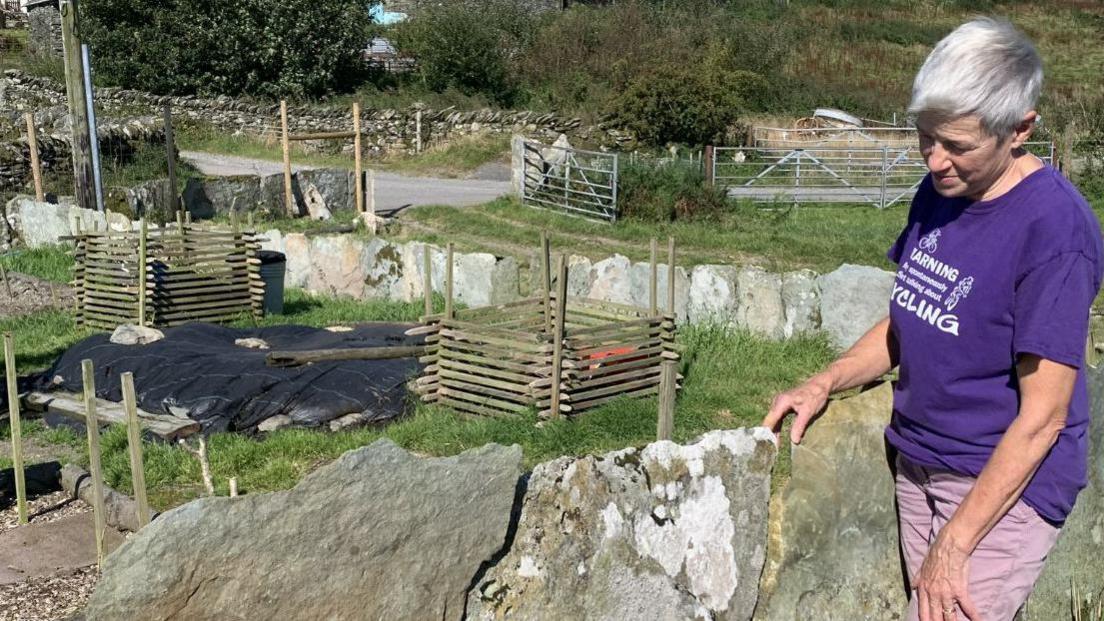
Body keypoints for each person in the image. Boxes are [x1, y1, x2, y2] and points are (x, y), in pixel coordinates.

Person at [761, 17, 1103, 621]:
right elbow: (911, 316)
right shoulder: (940, 190)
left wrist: (956, 543)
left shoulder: (1055, 232)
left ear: (1020, 129)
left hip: (1000, 480)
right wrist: (826, 380)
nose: (936, 160)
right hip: (919, 457)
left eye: (959, 146)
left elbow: (1044, 418)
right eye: (926, 137)